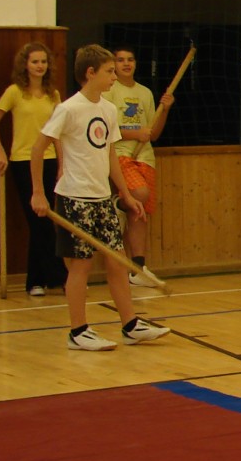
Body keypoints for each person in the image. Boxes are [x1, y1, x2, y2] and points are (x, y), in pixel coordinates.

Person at [31, 45, 170, 351]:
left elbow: (109, 154)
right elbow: (38, 149)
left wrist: (124, 193)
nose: (114, 77)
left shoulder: (107, 110)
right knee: (80, 266)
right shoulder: (69, 109)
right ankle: (78, 331)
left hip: (102, 198)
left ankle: (130, 325)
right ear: (90, 73)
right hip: (74, 198)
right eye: (109, 71)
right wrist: (38, 193)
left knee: (117, 261)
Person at [0, 42, 68, 296]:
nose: (40, 66)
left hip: (49, 160)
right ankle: (58, 277)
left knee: (43, 221)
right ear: (25, 65)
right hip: (22, 161)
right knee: (38, 220)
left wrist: (62, 164)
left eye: (43, 61)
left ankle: (37, 281)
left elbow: (57, 133)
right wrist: (0, 152)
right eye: (35, 62)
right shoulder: (14, 92)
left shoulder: (53, 94)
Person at [103, 45, 175, 287]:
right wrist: (135, 133)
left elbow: (153, 133)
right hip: (121, 154)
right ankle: (118, 203)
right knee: (139, 194)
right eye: (120, 60)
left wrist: (165, 110)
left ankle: (138, 268)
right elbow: (107, 129)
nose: (126, 63)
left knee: (139, 211)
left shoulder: (145, 93)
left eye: (130, 59)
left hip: (145, 157)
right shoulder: (109, 91)